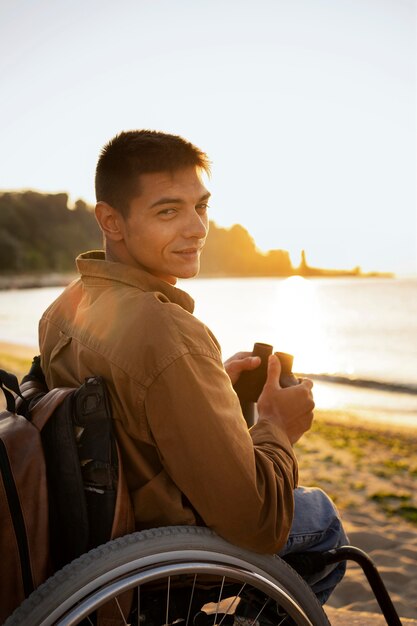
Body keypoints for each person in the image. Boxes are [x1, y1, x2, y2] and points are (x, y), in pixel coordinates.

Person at [39, 130, 347, 604]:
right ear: (111, 220)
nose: (197, 228)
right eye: (169, 211)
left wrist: (206, 383)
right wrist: (278, 427)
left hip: (88, 543)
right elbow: (258, 522)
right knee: (321, 518)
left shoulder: (63, 309)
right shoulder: (169, 332)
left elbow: (125, 403)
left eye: (201, 206)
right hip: (157, 556)